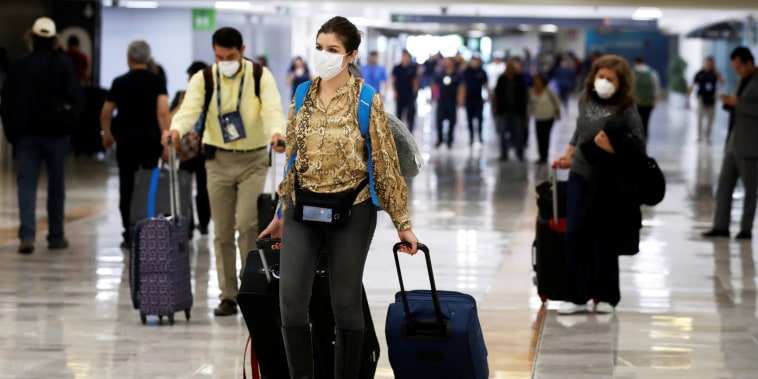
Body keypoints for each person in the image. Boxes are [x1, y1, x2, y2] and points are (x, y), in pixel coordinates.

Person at [258, 16, 419, 379]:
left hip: (353, 210)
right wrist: (282, 210)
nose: (323, 55)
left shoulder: (366, 99)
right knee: (290, 303)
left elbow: (385, 164)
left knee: (345, 304)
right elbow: (293, 159)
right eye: (319, 48)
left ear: (350, 55)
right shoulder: (302, 95)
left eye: (333, 50)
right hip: (303, 209)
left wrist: (403, 224)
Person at [163, 27, 286, 317]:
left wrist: (276, 133)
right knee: (220, 232)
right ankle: (228, 295)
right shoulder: (204, 78)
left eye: (230, 56)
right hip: (216, 161)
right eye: (219, 56)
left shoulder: (259, 76)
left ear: (242, 50)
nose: (225, 61)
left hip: (253, 160)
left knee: (246, 225)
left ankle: (249, 289)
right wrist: (176, 130)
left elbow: (271, 109)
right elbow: (188, 109)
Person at [553, 54, 646, 315]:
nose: (603, 82)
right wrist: (569, 153)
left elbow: (638, 145)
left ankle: (607, 295)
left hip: (608, 179)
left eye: (610, 79)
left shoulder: (626, 108)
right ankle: (576, 295)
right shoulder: (586, 99)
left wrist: (613, 147)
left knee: (604, 235)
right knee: (574, 233)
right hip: (580, 173)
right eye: (600, 77)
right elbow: (579, 131)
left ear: (621, 83)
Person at [0, 17, 85, 254]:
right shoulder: (64, 64)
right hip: (57, 135)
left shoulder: (20, 65)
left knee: (26, 184)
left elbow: (7, 101)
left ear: (32, 38)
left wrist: (12, 133)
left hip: (26, 135)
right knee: (56, 186)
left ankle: (27, 236)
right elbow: (78, 98)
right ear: (55, 39)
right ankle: (55, 236)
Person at [100, 40, 170, 248]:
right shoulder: (157, 81)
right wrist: (167, 142)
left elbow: (106, 112)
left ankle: (128, 230)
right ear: (147, 59)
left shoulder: (119, 82)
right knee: (149, 184)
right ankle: (147, 227)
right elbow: (163, 112)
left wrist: (107, 134)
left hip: (127, 140)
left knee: (127, 184)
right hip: (151, 141)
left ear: (129, 58)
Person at [702, 47, 758, 240]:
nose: (737, 71)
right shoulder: (743, 80)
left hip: (751, 143)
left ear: (749, 63)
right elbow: (740, 105)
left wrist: (738, 103)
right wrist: (730, 103)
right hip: (734, 139)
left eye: (739, 67)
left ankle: (745, 229)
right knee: (724, 185)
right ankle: (720, 226)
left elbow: (747, 105)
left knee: (750, 189)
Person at [169, 60, 212, 235]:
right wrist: (182, 104)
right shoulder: (181, 95)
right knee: (184, 188)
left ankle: (203, 223)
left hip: (203, 150)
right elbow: (172, 118)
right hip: (184, 151)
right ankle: (187, 223)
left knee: (203, 189)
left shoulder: (211, 97)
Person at [493, 58, 528, 161]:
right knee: (502, 133)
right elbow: (496, 95)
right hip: (503, 111)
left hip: (516, 111)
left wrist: (524, 112)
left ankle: (519, 153)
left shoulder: (519, 80)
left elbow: (524, 96)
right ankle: (504, 154)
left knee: (519, 133)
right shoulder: (502, 79)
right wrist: (495, 108)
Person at [686, 56, 724, 143]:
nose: (709, 65)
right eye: (708, 63)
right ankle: (699, 136)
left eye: (711, 64)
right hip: (701, 98)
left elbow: (722, 83)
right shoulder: (699, 73)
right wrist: (687, 97)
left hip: (711, 98)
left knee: (711, 118)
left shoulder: (715, 74)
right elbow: (692, 85)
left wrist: (716, 72)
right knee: (699, 117)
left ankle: (708, 136)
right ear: (704, 63)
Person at [432, 57, 465, 149]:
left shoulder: (457, 73)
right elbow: (434, 85)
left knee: (452, 121)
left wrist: (460, 98)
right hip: (441, 100)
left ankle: (450, 140)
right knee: (439, 120)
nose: (446, 63)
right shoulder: (439, 72)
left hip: (452, 100)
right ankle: (440, 139)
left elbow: (461, 86)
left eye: (448, 62)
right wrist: (434, 96)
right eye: (445, 62)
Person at [528, 74, 561, 164]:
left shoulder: (548, 90)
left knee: (545, 136)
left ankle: (545, 156)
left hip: (548, 116)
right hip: (538, 117)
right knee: (539, 136)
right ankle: (541, 156)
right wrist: (528, 115)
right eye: (535, 81)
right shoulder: (532, 91)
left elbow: (556, 100)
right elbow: (530, 104)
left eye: (538, 81)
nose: (536, 83)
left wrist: (558, 111)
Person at [462, 56, 490, 145]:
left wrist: (489, 96)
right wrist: (461, 98)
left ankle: (480, 136)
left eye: (476, 62)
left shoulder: (482, 72)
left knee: (480, 118)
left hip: (478, 99)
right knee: (469, 119)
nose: (475, 63)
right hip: (468, 99)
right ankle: (471, 137)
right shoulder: (467, 71)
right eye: (473, 61)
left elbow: (486, 85)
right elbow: (462, 86)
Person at [631, 57, 660, 141]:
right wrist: (655, 101)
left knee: (636, 121)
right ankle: (645, 137)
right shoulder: (652, 72)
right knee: (646, 121)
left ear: (636, 62)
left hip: (636, 102)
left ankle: (637, 137)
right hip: (648, 101)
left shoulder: (633, 72)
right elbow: (655, 88)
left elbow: (631, 88)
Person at [391, 49, 420, 132]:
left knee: (410, 113)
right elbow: (393, 80)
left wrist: (414, 93)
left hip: (409, 94)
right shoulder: (397, 68)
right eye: (403, 55)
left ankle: (410, 130)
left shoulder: (413, 68)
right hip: (400, 93)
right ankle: (399, 131)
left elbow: (415, 81)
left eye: (406, 56)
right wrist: (394, 92)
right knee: (399, 113)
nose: (405, 57)